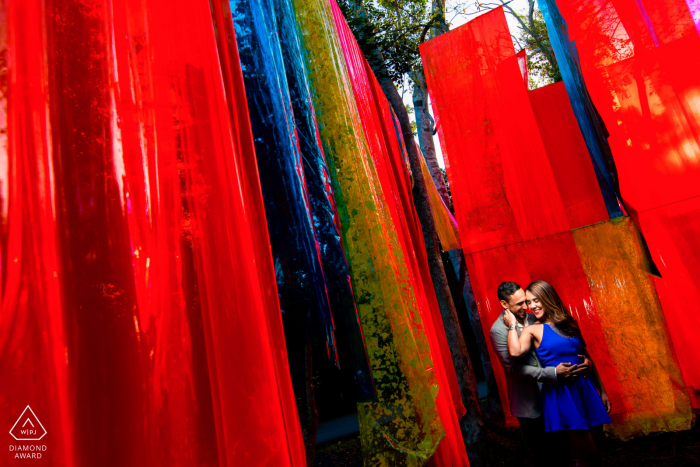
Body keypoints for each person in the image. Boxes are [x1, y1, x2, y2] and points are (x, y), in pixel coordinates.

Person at [505, 280, 612, 467]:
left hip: (585, 390)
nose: (532, 306)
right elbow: (514, 352)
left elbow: (587, 357)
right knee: (588, 455)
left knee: (597, 453)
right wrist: (512, 325)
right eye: (529, 302)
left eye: (536, 300)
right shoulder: (532, 330)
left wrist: (601, 391)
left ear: (548, 297)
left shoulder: (568, 322)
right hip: (561, 394)